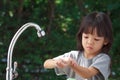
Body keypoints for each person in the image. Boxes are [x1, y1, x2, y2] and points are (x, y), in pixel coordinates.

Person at [43, 11, 113, 80]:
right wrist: (57, 62)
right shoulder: (74, 55)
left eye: (96, 39)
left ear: (105, 41)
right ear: (81, 36)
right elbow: (46, 63)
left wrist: (72, 65)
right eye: (86, 37)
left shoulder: (103, 59)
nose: (89, 42)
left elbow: (88, 73)